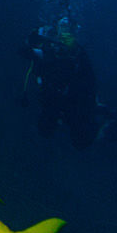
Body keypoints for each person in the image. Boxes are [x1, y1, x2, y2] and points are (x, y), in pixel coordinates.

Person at [20, 20, 101, 150]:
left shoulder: (78, 58)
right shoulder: (49, 54)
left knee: (81, 138)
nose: (61, 43)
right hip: (56, 101)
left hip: (74, 102)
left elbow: (88, 80)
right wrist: (33, 38)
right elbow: (25, 51)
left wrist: (74, 48)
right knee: (44, 130)